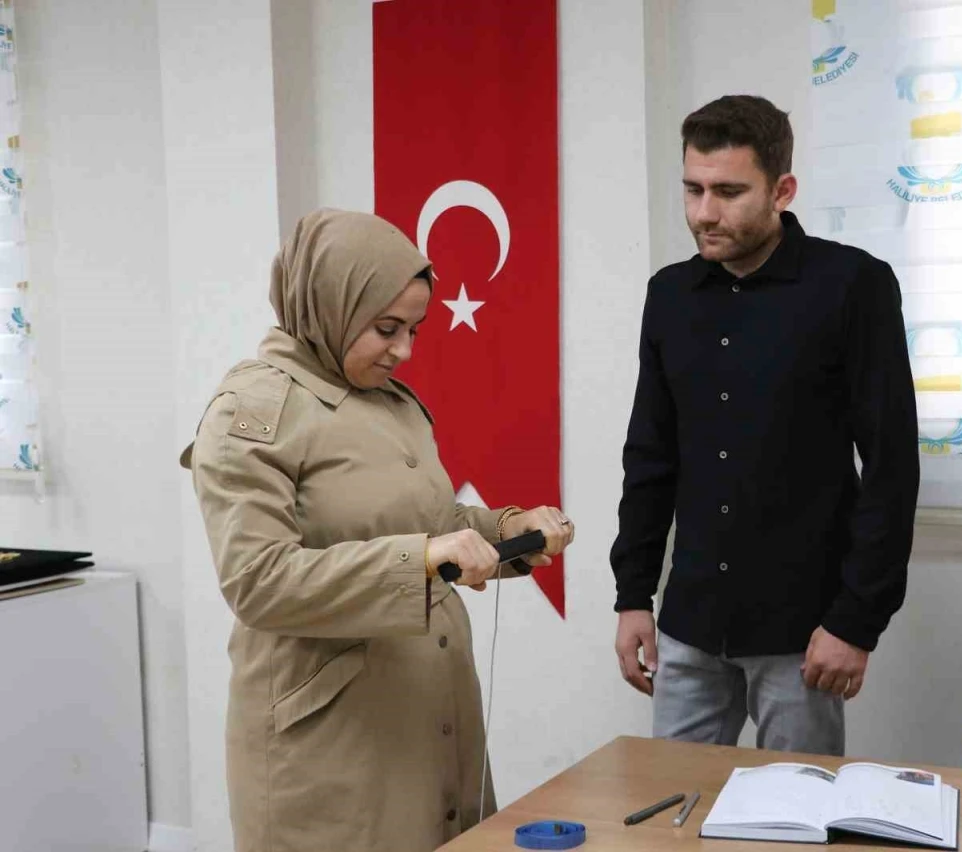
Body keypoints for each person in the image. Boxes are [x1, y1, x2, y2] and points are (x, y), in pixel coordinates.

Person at [180, 209, 574, 852]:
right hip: (332, 742)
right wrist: (424, 556)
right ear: (328, 303)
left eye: (414, 330)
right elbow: (258, 581)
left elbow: (433, 529)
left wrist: (509, 529)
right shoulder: (252, 412)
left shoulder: (390, 402)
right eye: (386, 329)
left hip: (423, 715)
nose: (404, 350)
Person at [610, 95, 919, 756]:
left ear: (783, 190)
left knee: (798, 808)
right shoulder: (669, 295)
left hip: (804, 632)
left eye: (728, 192)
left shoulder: (853, 286)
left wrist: (856, 621)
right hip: (690, 623)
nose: (704, 212)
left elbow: (891, 467)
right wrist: (633, 595)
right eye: (692, 189)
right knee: (674, 803)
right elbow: (651, 457)